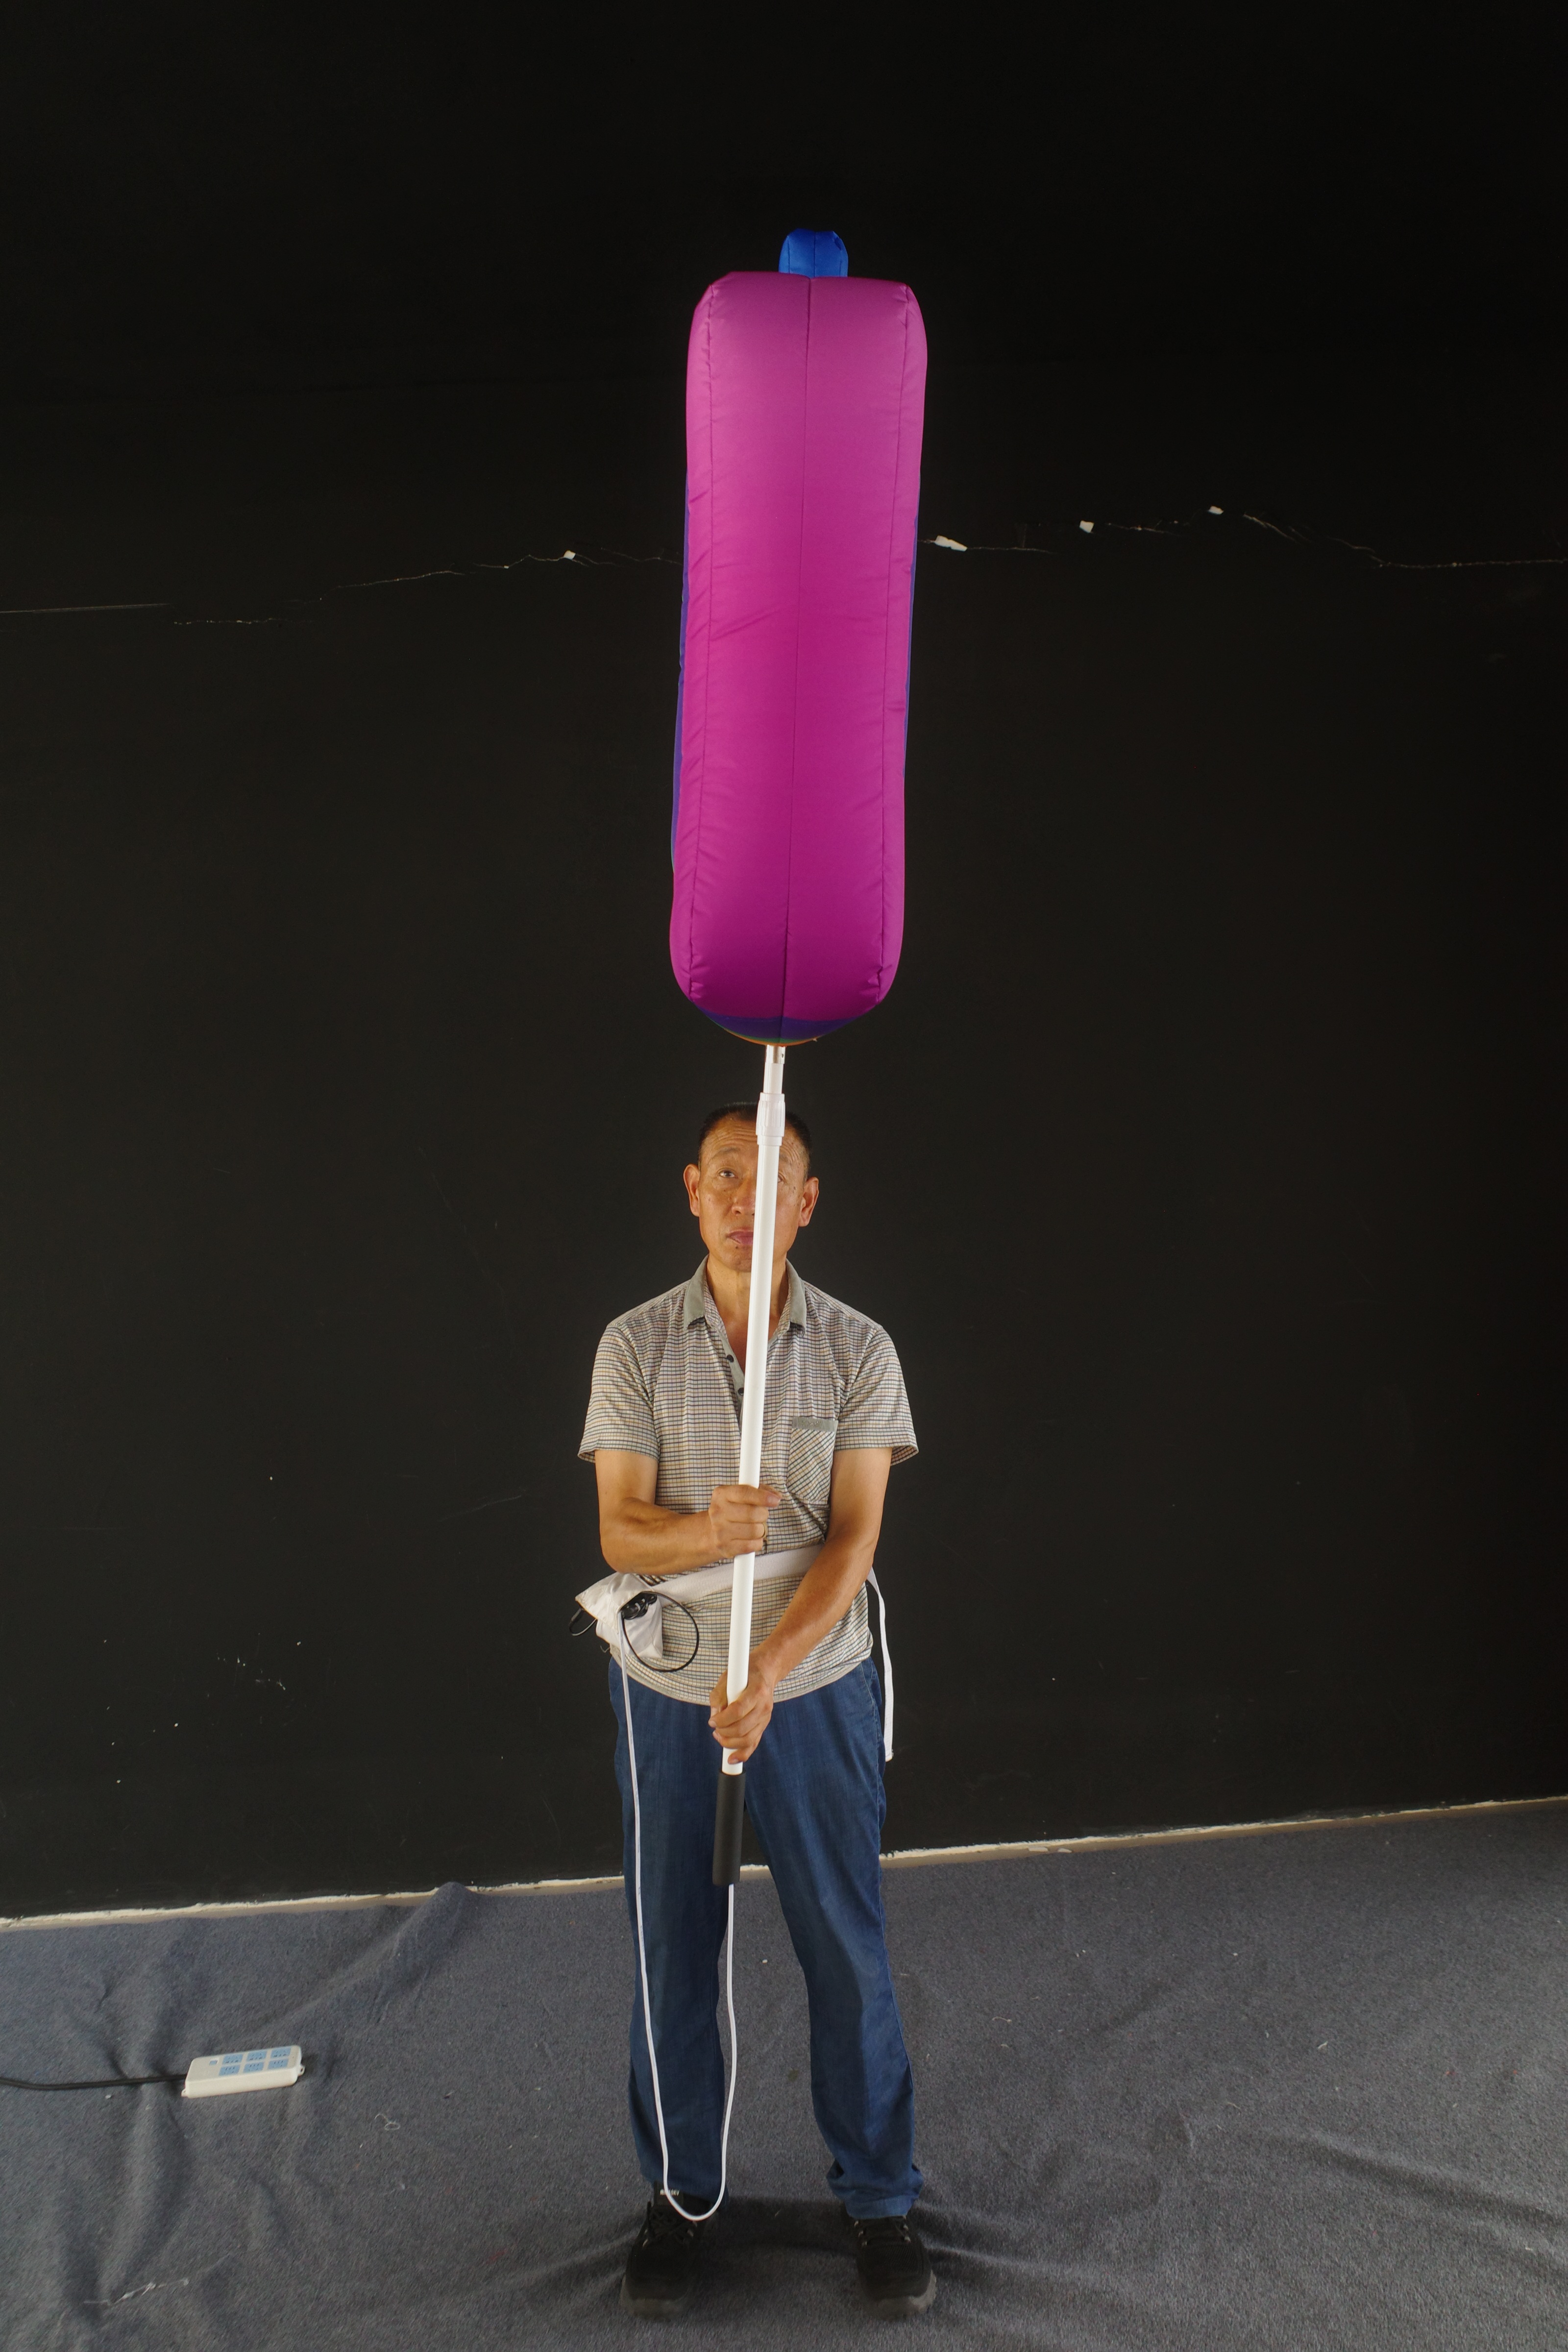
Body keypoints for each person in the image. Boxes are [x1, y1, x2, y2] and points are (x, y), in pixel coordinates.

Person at [578, 1102, 934, 2320]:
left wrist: (772, 1670)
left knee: (843, 1940)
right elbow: (620, 1528)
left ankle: (880, 2198)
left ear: (806, 1203)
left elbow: (853, 1539)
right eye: (726, 1173)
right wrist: (703, 1534)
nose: (746, 1198)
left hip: (814, 1683)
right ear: (692, 1188)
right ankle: (681, 2196)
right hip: (670, 1685)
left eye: (771, 1176)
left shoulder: (857, 1348)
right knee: (671, 1943)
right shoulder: (634, 1344)